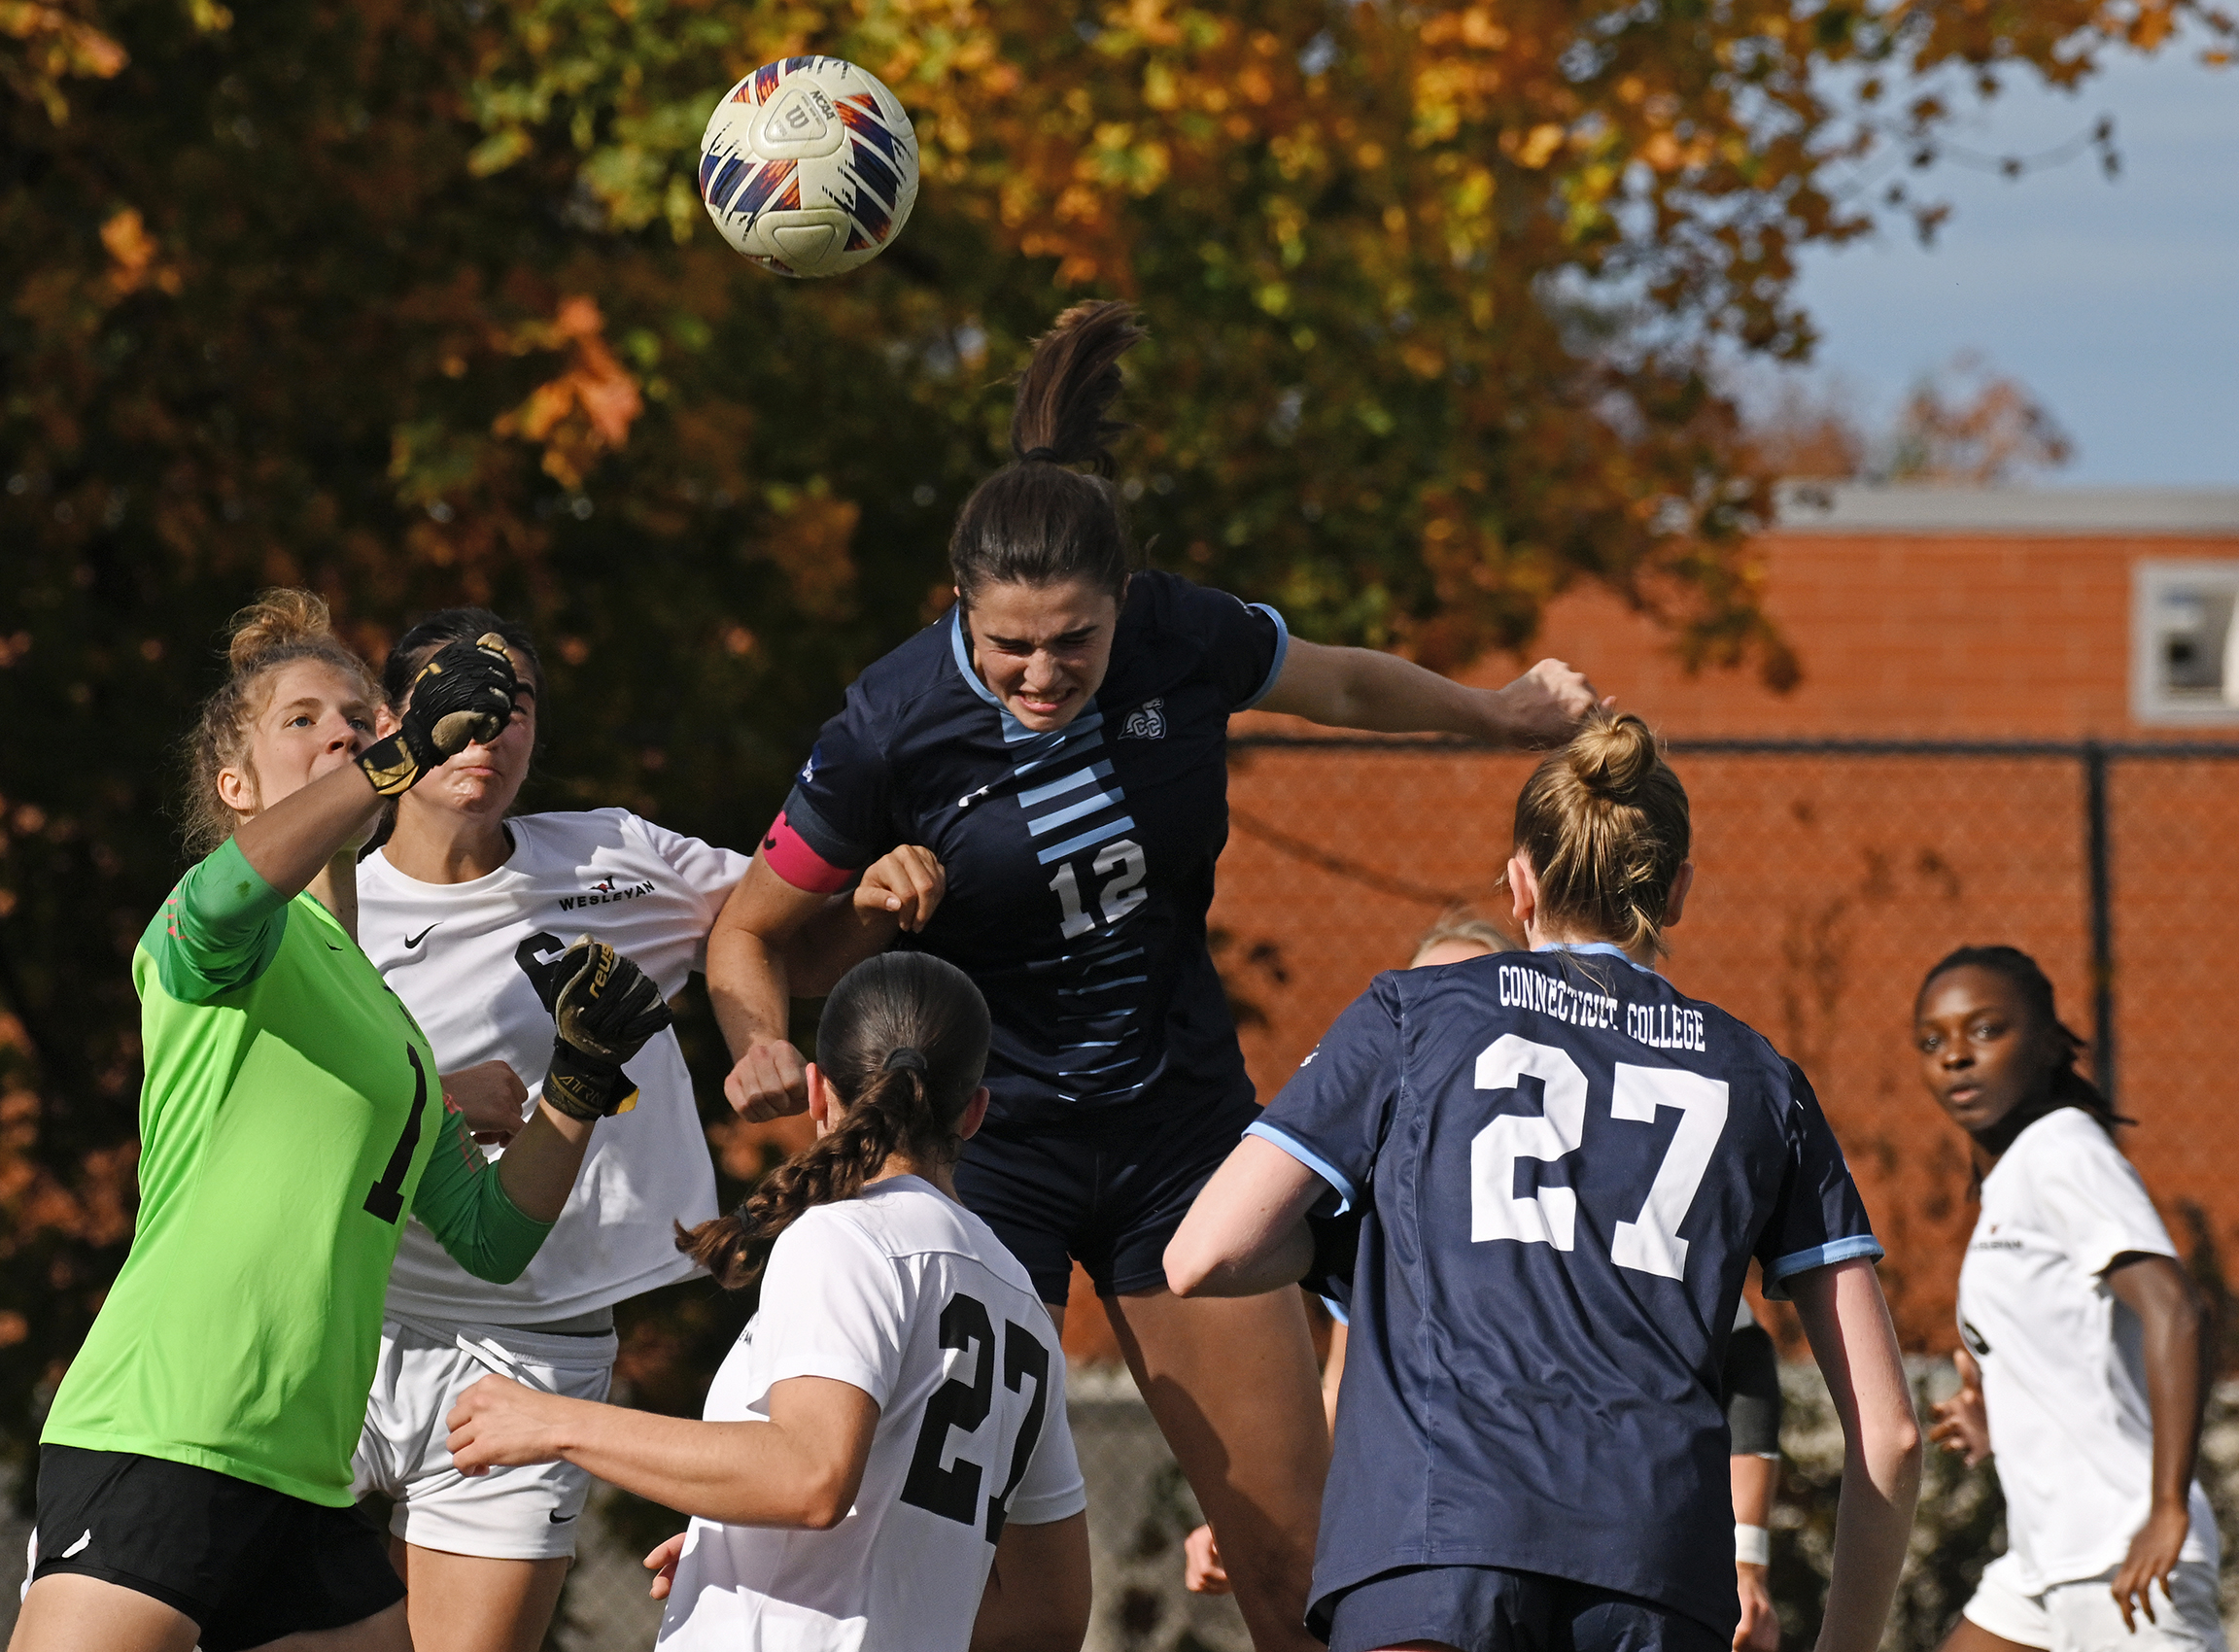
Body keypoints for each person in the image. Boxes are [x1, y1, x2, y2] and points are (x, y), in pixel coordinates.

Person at [706, 300, 1604, 1650]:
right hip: (981, 1149)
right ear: (962, 611)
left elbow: (1342, 689)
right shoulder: (894, 722)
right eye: (1010, 645)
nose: (1042, 671)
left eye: (1074, 640)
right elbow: (748, 933)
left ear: (1125, 604)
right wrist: (760, 1041)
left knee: (1297, 1555)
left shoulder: (1184, 637)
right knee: (981, 1582)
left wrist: (1499, 715)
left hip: (1177, 1129)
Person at [1165, 712, 1921, 1652]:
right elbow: (1889, 1434)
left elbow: (1202, 1254)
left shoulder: (1418, 1010)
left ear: (1521, 883)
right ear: (1678, 892)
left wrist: (1378, 1237)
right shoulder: (1761, 1079)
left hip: (1435, 1545)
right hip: (1657, 1567)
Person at [13, 592, 662, 1652]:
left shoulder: (388, 1026)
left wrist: (578, 1087)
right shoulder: (232, 933)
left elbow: (494, 1235)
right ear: (236, 788)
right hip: (171, 1425)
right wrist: (394, 759)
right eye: (304, 719)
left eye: (360, 716)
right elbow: (224, 900)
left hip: (300, 1471)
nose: (346, 733)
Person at [441, 952, 1091, 1652]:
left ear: (819, 1093)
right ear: (974, 1112)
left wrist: (550, 1421)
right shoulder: (1018, 1293)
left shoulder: (846, 1238)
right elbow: (1049, 1613)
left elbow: (810, 1476)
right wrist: (748, 1552)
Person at [1185, 908, 1794, 1652]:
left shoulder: (1598, 1190)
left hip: (1573, 1547)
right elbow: (1344, 1390)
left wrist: (1749, 1558)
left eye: (1470, 988)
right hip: (1470, 1553)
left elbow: (1748, 1358)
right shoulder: (1400, 1207)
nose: (1451, 1012)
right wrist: (1263, 1513)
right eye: (1434, 989)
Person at [344, 607, 757, 1652]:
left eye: (511, 705)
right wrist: (435, 1094)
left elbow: (774, 913)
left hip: (526, 1344)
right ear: (396, 722)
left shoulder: (615, 854)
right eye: (455, 703)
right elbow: (250, 1099)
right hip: (342, 1316)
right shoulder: (323, 895)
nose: (482, 729)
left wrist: (873, 890)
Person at [1914, 946, 2222, 1652]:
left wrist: (2167, 1507)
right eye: (1933, 1041)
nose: (1955, 1056)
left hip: (2124, 1557)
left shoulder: (2064, 1151)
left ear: (2051, 1045)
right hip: (2044, 1562)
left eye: (1986, 1030)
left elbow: (2177, 1309)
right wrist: (2004, 1420)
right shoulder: (2014, 1177)